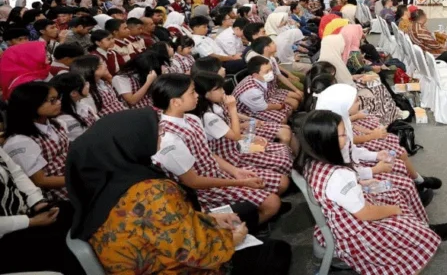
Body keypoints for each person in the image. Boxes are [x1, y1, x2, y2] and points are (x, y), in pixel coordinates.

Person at [66, 109, 293, 275]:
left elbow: (161, 226)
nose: (162, 134)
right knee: (275, 252)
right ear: (132, 142)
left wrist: (208, 219)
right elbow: (192, 251)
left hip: (151, 258)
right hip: (169, 267)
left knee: (247, 217)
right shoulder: (151, 192)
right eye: (156, 131)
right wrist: (231, 239)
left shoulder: (102, 187)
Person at [297, 109, 447, 275]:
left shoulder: (312, 162)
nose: (347, 137)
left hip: (340, 219)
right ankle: (421, 233)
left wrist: (360, 183)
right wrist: (394, 210)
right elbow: (365, 213)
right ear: (326, 140)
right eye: (342, 135)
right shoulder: (339, 176)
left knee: (392, 194)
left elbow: (338, 194)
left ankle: (418, 227)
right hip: (354, 231)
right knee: (417, 234)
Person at [150, 74, 285, 224]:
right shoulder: (170, 140)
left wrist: (235, 171)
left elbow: (207, 153)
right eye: (192, 93)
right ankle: (244, 229)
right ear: (175, 102)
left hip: (218, 174)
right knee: (272, 202)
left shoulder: (191, 119)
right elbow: (193, 182)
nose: (197, 95)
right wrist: (241, 182)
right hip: (203, 191)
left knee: (272, 186)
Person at [192, 73, 292, 186]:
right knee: (282, 160)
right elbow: (236, 136)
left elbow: (231, 131)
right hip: (231, 154)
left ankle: (284, 174)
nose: (223, 91)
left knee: (283, 149)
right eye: (218, 89)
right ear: (205, 94)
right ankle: (280, 181)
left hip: (237, 144)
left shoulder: (216, 104)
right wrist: (233, 108)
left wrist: (250, 133)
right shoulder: (209, 117)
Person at [0, 145, 76, 274]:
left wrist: (37, 202)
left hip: (23, 212)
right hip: (7, 233)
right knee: (59, 247)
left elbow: (17, 173)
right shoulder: (18, 141)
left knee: (70, 211)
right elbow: (41, 180)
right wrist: (31, 222)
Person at [3, 82, 71, 203]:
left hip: (70, 176)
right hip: (55, 194)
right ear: (32, 105)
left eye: (58, 98)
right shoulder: (20, 142)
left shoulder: (56, 124)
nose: (59, 102)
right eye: (52, 100)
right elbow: (40, 181)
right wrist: (78, 179)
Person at [233, 56, 293, 124]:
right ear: (255, 75)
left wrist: (281, 106)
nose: (271, 73)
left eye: (270, 69)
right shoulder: (252, 91)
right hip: (246, 111)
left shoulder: (260, 78)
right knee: (282, 118)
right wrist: (280, 106)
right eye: (267, 71)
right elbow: (263, 107)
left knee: (288, 108)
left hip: (259, 102)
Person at [52, 72, 98, 141]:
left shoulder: (82, 105)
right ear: (74, 93)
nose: (88, 85)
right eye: (85, 84)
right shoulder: (65, 119)